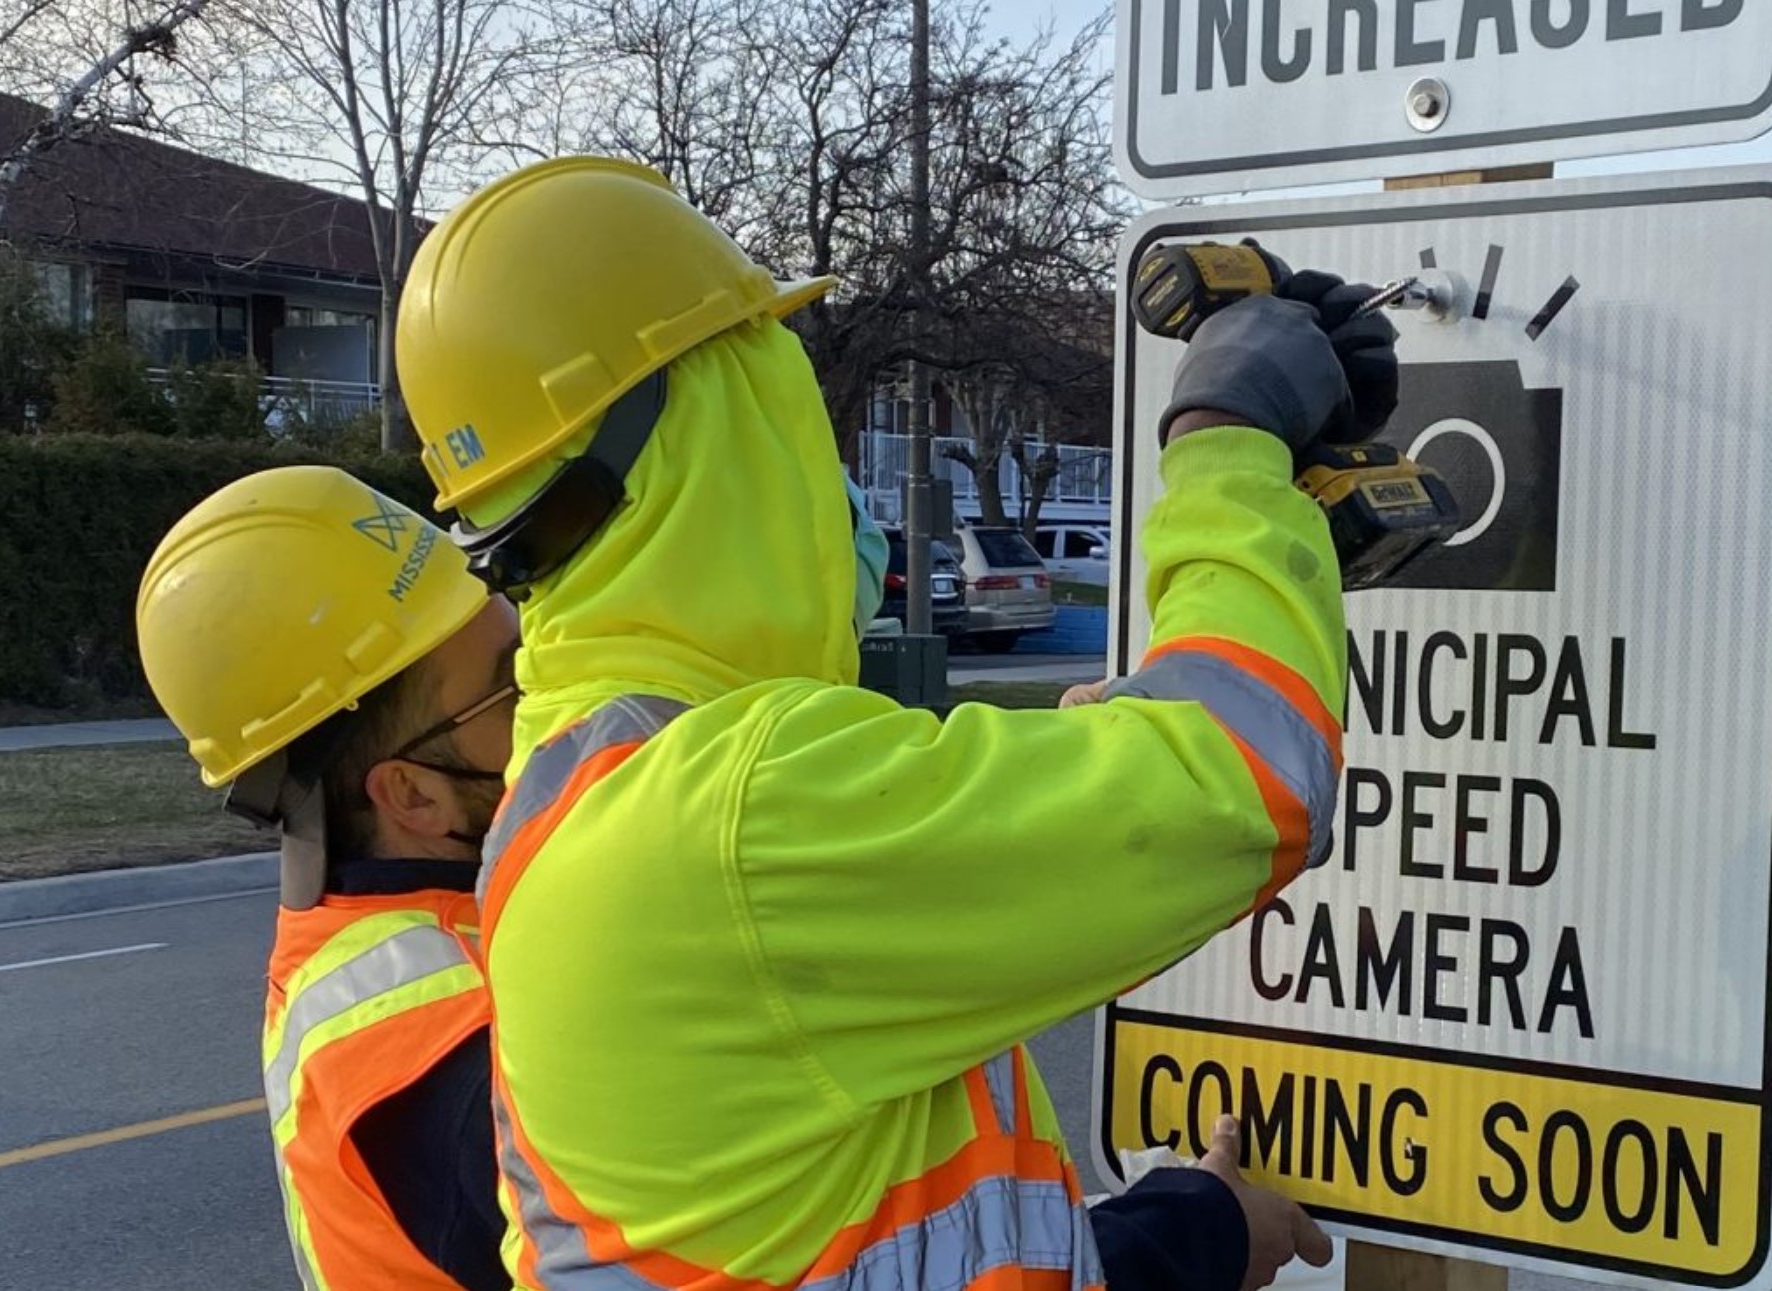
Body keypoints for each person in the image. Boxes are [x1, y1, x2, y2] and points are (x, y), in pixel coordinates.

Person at [393, 156, 1388, 1291]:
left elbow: (895, 1241)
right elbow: (1247, 775)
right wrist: (1225, 436)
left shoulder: (599, 780)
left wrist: (1193, 1227)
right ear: (722, 428)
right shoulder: (734, 811)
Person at [135, 466, 520, 1290]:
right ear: (412, 794)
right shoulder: (441, 1045)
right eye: (513, 689)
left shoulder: (385, 921)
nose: (557, 704)